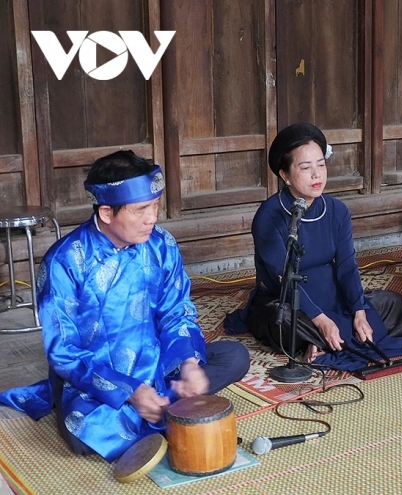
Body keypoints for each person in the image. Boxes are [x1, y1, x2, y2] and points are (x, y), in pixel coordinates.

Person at [0, 150, 250, 462]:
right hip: (99, 379)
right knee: (83, 432)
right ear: (107, 213)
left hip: (158, 364)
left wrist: (188, 363)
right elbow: (62, 351)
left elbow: (177, 312)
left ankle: (159, 407)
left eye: (155, 205)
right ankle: (166, 410)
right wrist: (130, 390)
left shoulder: (161, 244)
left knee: (234, 356)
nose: (152, 217)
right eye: (141, 209)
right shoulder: (65, 261)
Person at [225, 123, 402, 371]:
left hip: (331, 295)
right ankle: (318, 338)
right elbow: (282, 279)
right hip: (285, 298)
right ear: (285, 175)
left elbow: (347, 267)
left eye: (321, 165)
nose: (316, 175)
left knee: (392, 302)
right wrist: (321, 321)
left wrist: (359, 311)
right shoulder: (269, 216)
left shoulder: (337, 211)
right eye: (305, 168)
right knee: (284, 320)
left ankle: (319, 343)